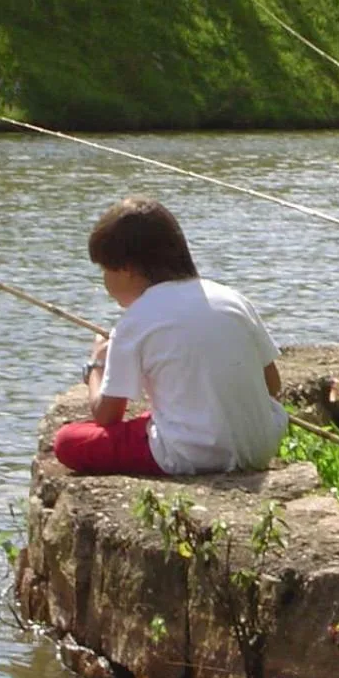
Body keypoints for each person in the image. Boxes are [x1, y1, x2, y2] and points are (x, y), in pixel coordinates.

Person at [52, 196, 289, 476]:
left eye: (105, 270)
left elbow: (106, 416)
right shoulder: (232, 298)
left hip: (190, 453)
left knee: (67, 440)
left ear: (126, 269)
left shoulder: (135, 320)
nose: (104, 281)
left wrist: (97, 364)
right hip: (260, 447)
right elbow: (272, 385)